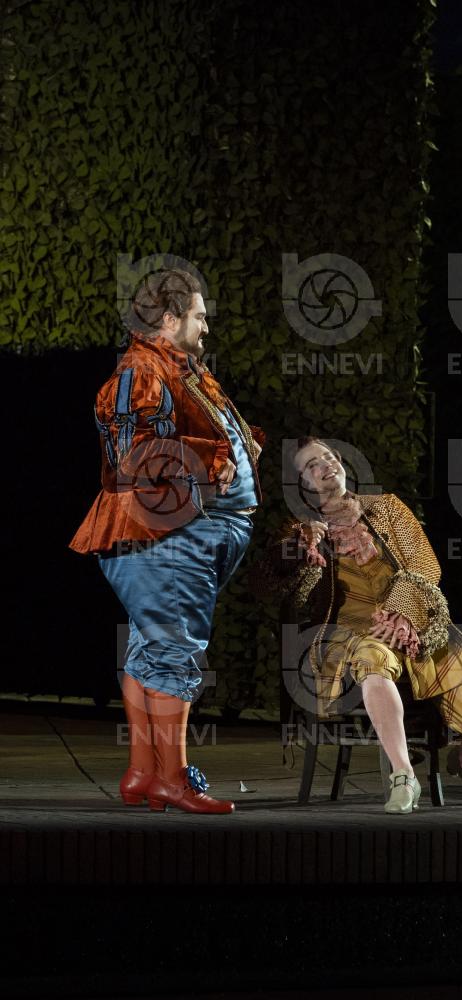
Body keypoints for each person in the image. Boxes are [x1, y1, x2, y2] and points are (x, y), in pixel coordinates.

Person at [70, 268, 265, 815]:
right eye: (200, 316)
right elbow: (135, 458)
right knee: (174, 652)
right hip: (166, 538)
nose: (207, 327)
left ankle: (143, 773)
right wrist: (214, 456)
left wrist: (236, 447)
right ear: (171, 318)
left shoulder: (174, 367)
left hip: (185, 537)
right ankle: (175, 781)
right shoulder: (141, 371)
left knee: (149, 652)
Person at [250, 438, 462, 814]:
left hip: (412, 627)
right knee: (372, 660)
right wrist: (297, 549)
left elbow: (425, 565)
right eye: (312, 465)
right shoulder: (302, 531)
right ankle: (403, 776)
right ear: (303, 484)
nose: (326, 464)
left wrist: (401, 611)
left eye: (329, 456)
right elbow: (264, 584)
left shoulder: (386, 507)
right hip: (353, 633)